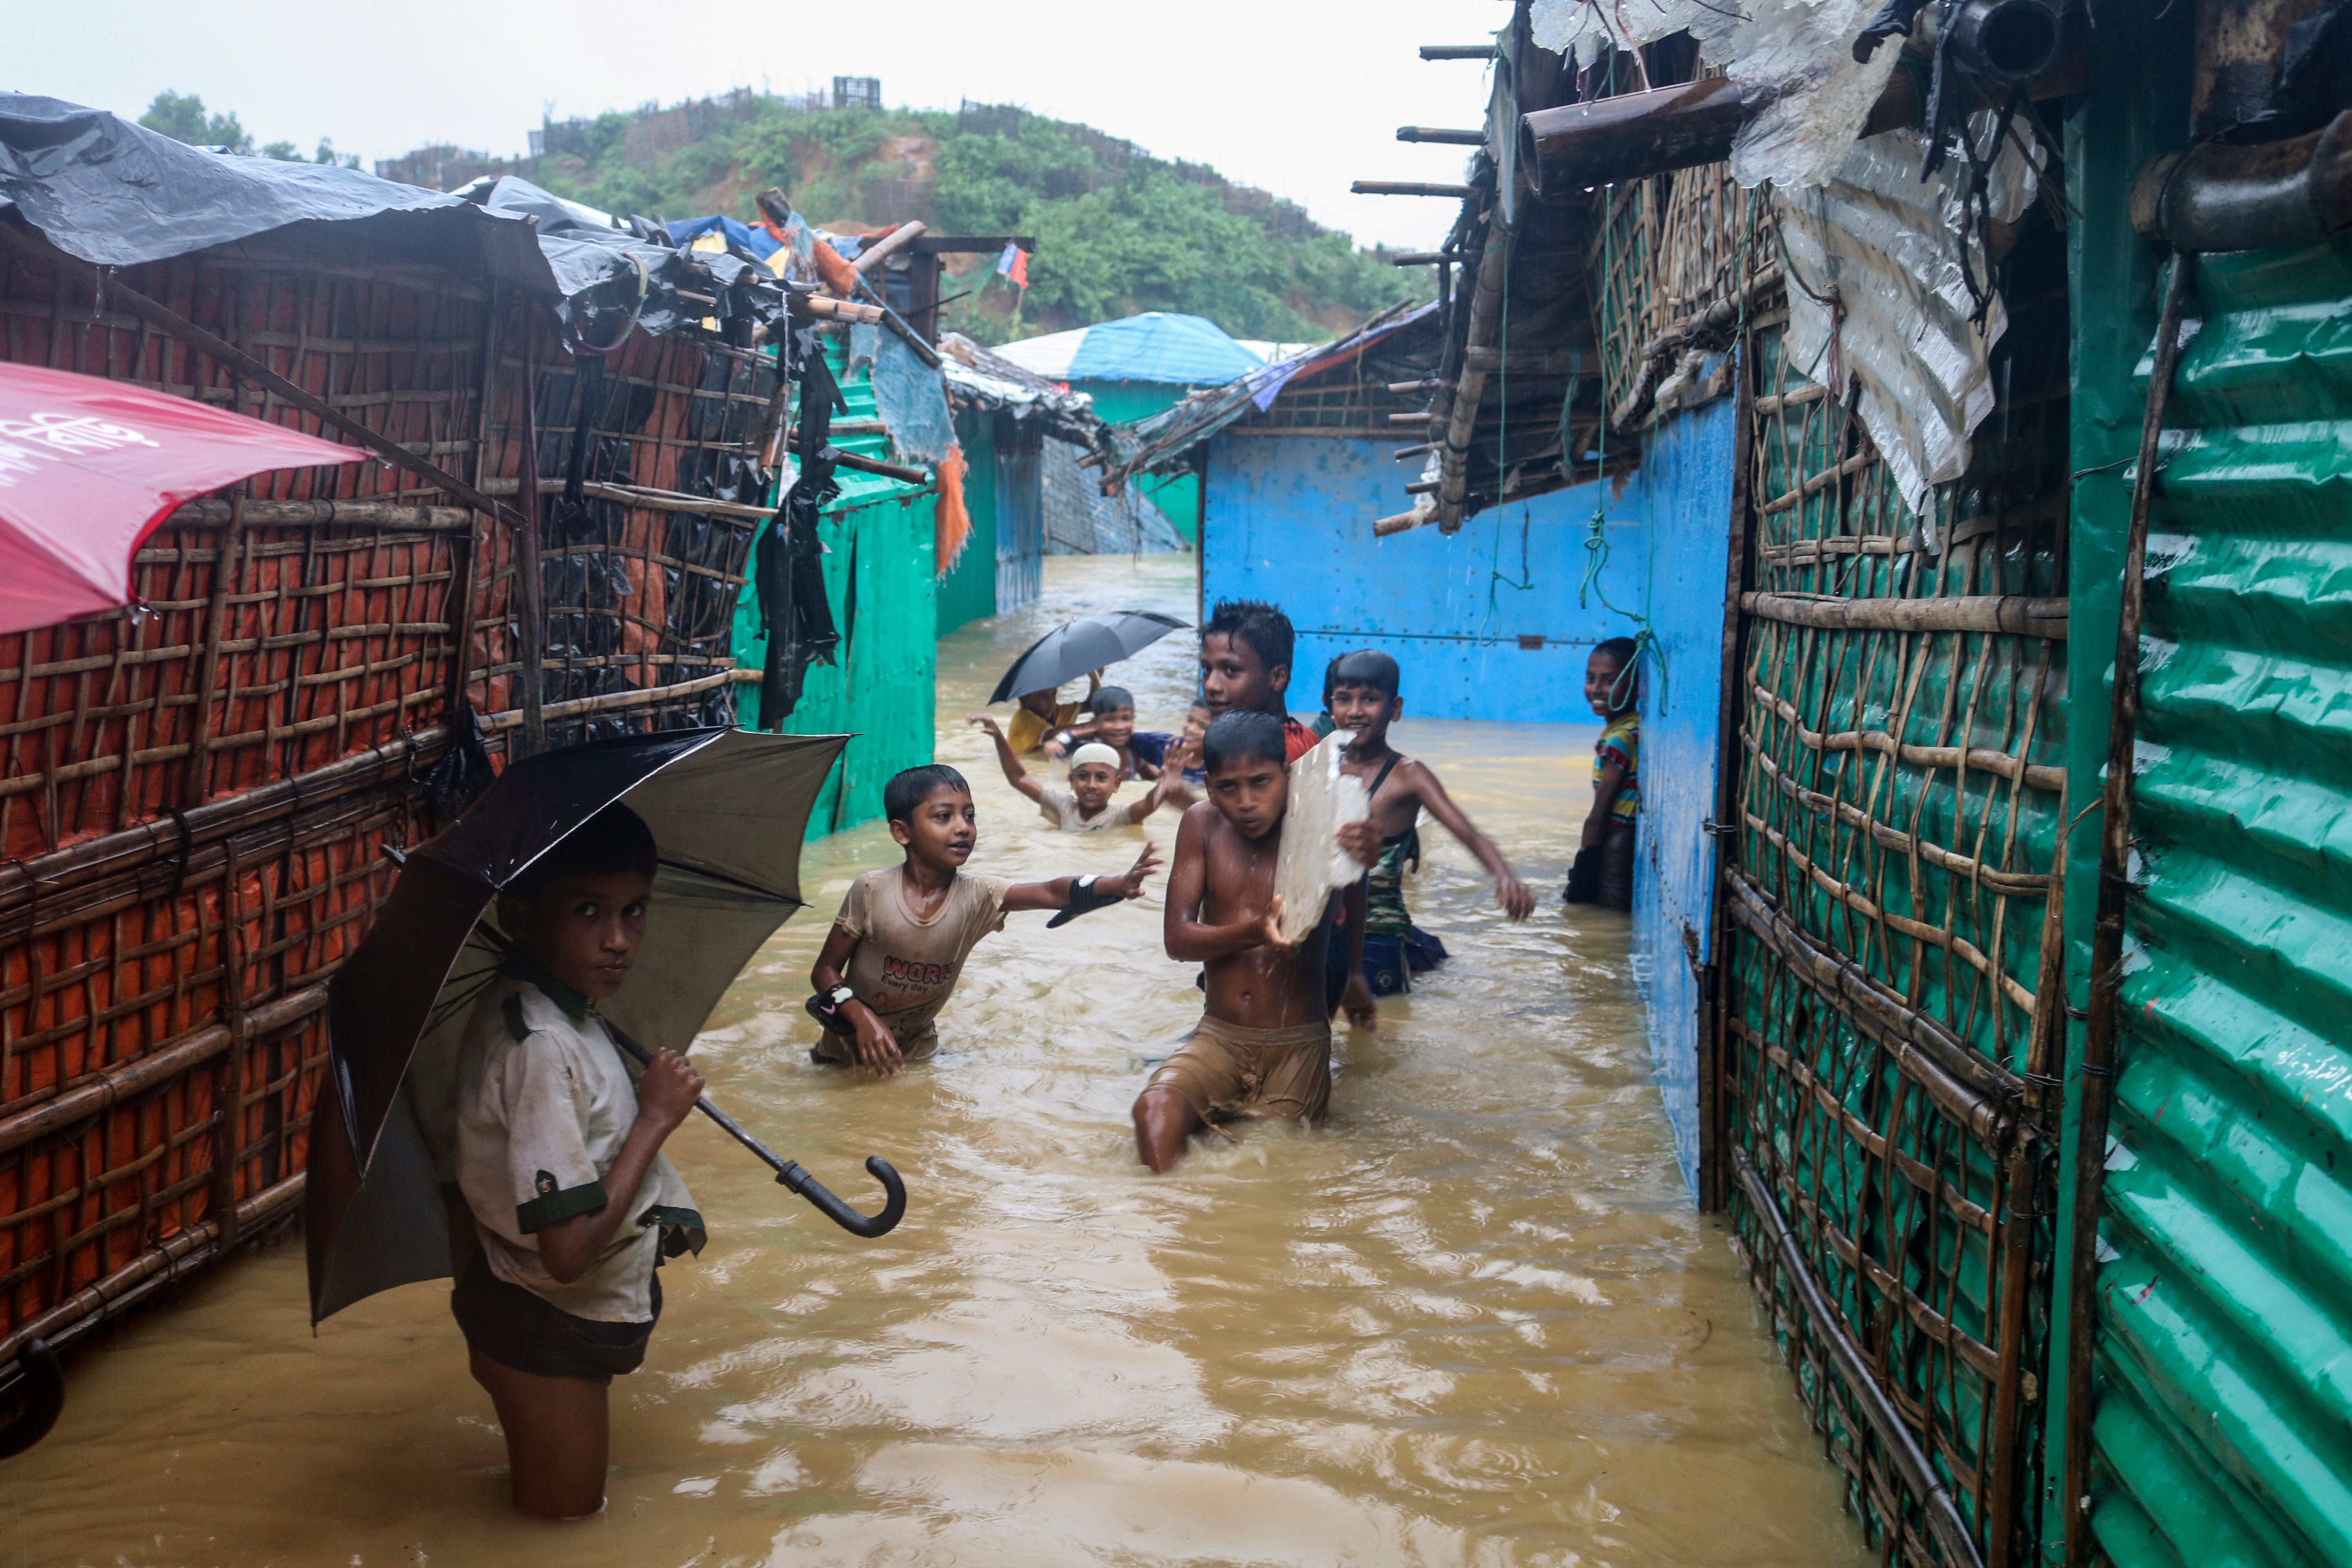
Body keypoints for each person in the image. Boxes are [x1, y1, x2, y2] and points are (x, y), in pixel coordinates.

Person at [448, 803, 706, 1520]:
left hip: (526, 1308)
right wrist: (654, 1119)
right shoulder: (540, 1046)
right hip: (543, 1327)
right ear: (520, 917)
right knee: (561, 1528)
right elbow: (566, 1254)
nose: (619, 939)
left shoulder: (562, 1014)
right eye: (588, 911)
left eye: (635, 911)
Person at [1132, 710, 1377, 1173]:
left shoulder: (1320, 824)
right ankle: (1171, 1222)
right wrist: (1252, 932)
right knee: (1154, 1112)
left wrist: (1356, 973)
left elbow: (1355, 888)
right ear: (1209, 786)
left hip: (1297, 1044)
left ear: (1286, 776)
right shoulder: (1201, 824)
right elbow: (1177, 939)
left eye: (1261, 782)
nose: (1246, 802)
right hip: (1219, 1036)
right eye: (1229, 787)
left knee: (1266, 1165)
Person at [809, 763, 1161, 1074]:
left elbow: (1052, 892)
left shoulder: (979, 896)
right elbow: (824, 972)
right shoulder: (872, 890)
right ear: (903, 832)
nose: (963, 828)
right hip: (842, 1057)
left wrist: (1118, 883)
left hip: (916, 1057)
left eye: (970, 816)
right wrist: (859, 1015)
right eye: (944, 817)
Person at [1326, 650, 1537, 994]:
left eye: (1370, 699)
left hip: (1378, 935)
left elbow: (1467, 833)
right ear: (1330, 704)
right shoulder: (1320, 766)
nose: (1355, 711)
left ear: (1395, 709)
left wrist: (1505, 877)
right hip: (1325, 931)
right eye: (1344, 699)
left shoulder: (1408, 776)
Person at [968, 719, 1183, 830]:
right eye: (1083, 777)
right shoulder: (1063, 806)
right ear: (1071, 780)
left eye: (1101, 778)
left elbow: (1148, 805)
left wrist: (1167, 782)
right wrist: (999, 738)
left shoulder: (1120, 816)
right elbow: (1019, 778)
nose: (1091, 785)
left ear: (1117, 784)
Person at [1566, 636, 1640, 911]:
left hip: (1615, 850)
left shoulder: (1620, 740)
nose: (1596, 690)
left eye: (1610, 681)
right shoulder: (1634, 728)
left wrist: (1583, 867)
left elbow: (1599, 815)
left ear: (1634, 686)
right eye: (1591, 679)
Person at [1198, 599, 1319, 762]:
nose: (1211, 686)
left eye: (1232, 670)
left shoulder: (1274, 758)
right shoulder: (1303, 738)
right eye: (1207, 669)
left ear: (1277, 677)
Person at [1041, 684, 1176, 779]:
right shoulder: (1088, 750)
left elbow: (1153, 781)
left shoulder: (1135, 755)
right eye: (1110, 720)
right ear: (1095, 722)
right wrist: (1055, 745)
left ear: (1134, 719)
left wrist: (1168, 776)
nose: (1120, 726)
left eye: (1126, 719)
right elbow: (1056, 745)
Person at [1006, 668, 1102, 756]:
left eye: (1054, 695)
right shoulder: (1024, 719)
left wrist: (1094, 677)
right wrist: (1097, 726)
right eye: (1043, 697)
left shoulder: (1053, 712)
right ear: (1024, 699)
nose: (1051, 703)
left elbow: (1091, 705)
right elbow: (1052, 735)